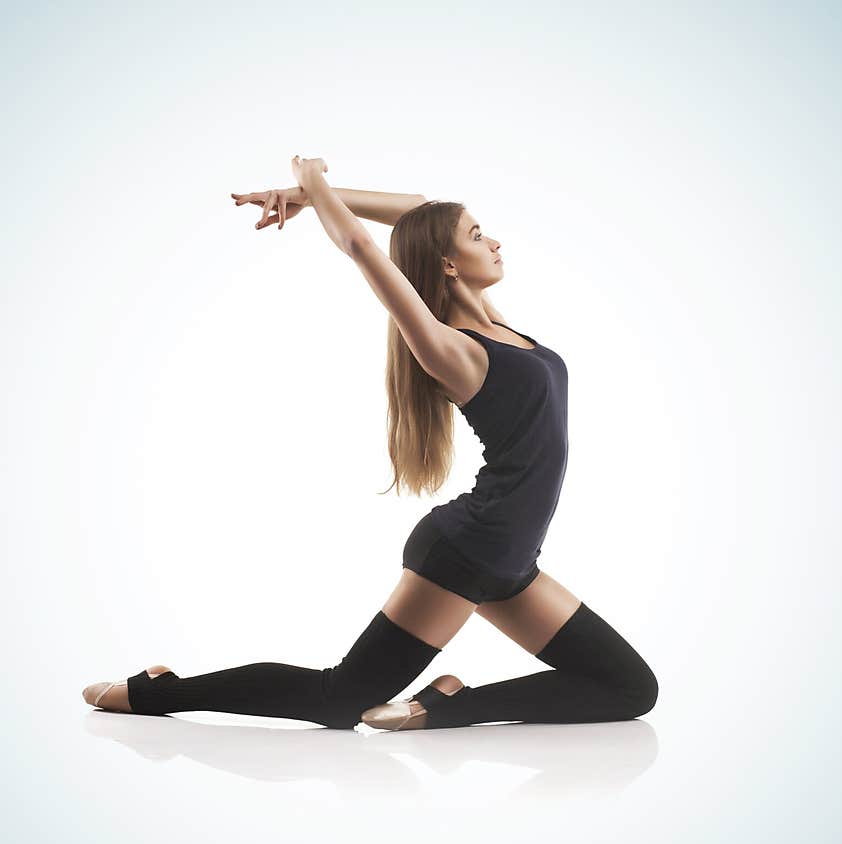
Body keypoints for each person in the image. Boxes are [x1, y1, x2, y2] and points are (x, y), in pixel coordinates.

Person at [82, 155, 659, 731]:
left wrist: (305, 197)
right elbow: (362, 246)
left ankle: (448, 708)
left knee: (631, 688)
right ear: (448, 265)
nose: (496, 242)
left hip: (512, 563)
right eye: (478, 236)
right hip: (468, 552)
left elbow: (420, 214)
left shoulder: (496, 326)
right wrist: (312, 181)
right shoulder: (450, 348)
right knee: (338, 700)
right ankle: (160, 692)